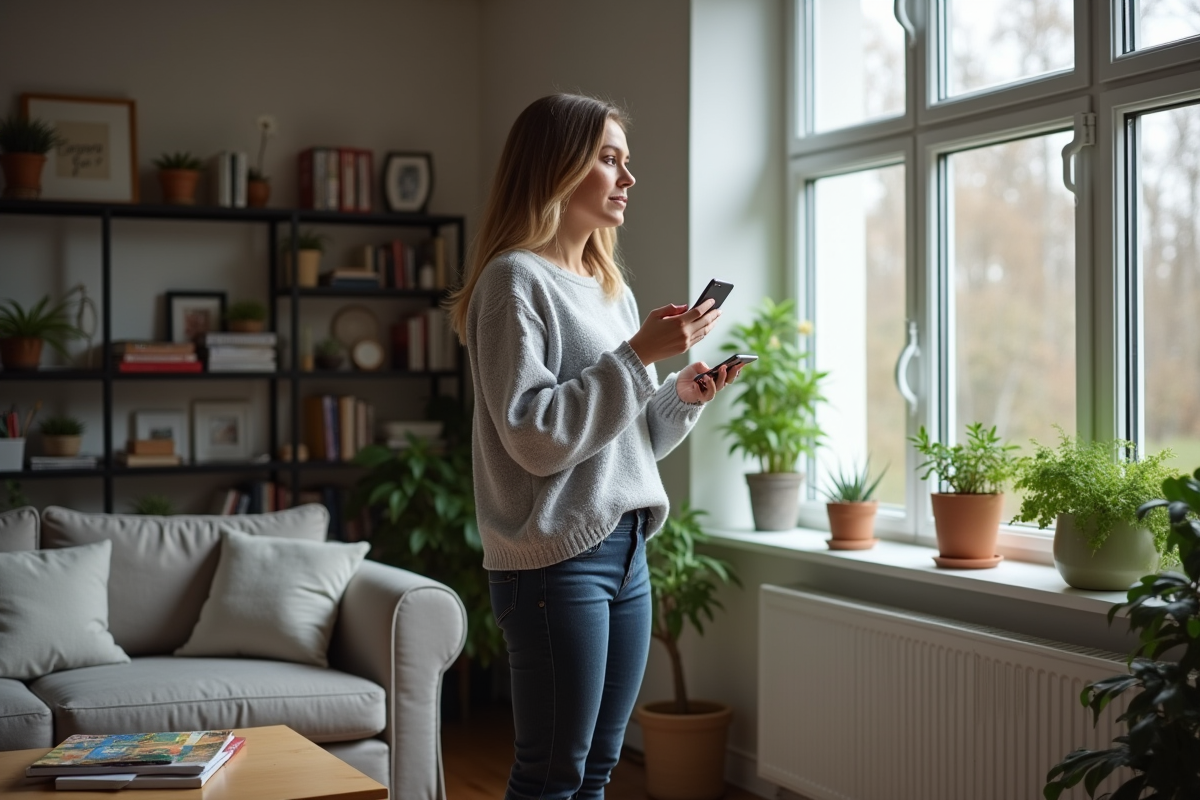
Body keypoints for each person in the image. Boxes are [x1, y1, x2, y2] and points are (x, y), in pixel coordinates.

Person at [446, 93, 743, 800]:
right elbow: (534, 438)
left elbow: (622, 445)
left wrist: (678, 397)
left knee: (597, 771)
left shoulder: (610, 289)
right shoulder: (513, 281)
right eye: (609, 159)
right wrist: (639, 356)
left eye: (625, 161)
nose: (628, 178)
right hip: (556, 563)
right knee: (552, 775)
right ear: (557, 167)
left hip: (628, 548)